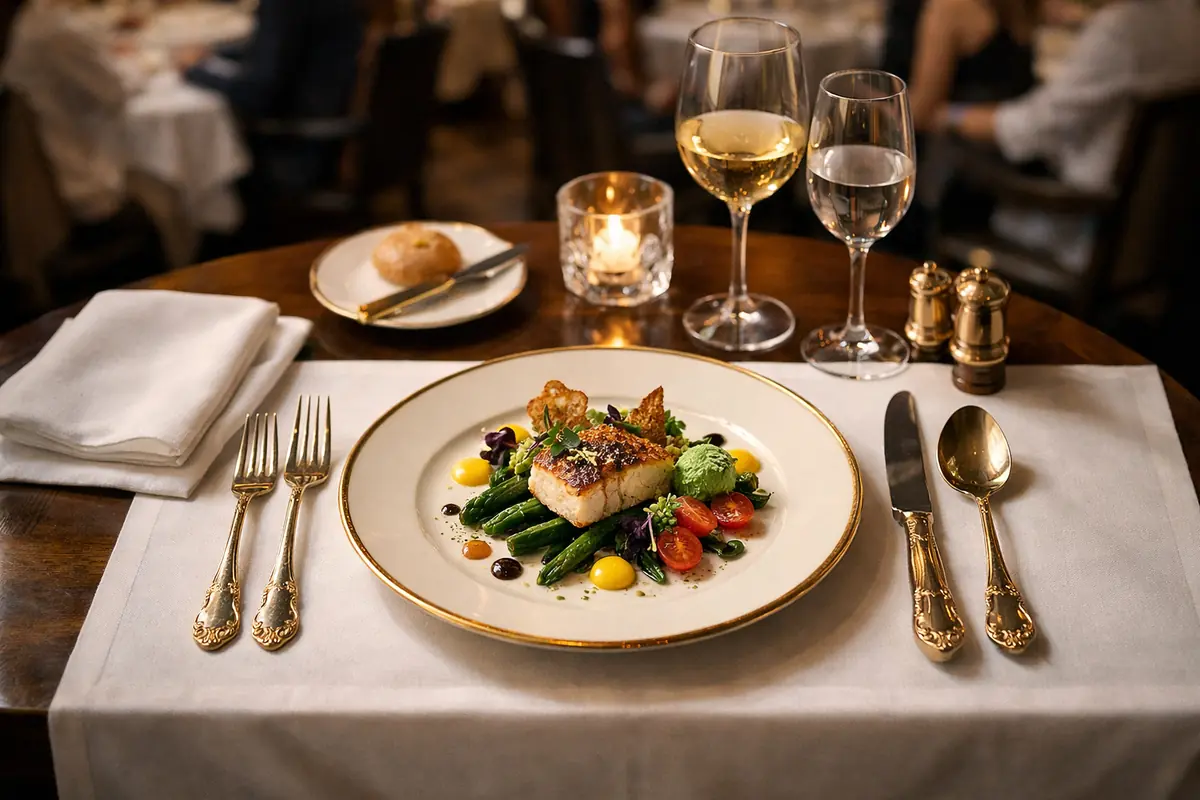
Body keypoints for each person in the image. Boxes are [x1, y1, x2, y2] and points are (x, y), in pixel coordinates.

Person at [937, 0, 1200, 269]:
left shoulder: (1122, 28)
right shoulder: (1188, 18)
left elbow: (1035, 126)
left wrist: (953, 116)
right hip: (1160, 236)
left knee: (955, 180)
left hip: (1088, 230)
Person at [181, 0, 366, 191]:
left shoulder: (284, 5)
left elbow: (256, 95)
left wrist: (196, 71)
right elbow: (279, 49)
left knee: (193, 154)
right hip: (334, 136)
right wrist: (215, 52)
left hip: (299, 148)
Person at [527, 0, 675, 135]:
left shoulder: (542, 19)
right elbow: (625, 82)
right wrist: (649, 94)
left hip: (561, 115)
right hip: (612, 119)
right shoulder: (613, 10)